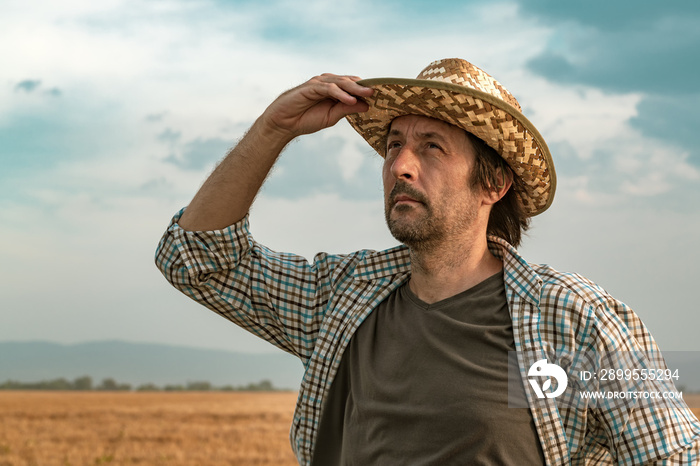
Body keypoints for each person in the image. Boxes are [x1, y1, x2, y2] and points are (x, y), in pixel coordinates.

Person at [155, 58, 700, 465]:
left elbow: (671, 455)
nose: (401, 166)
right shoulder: (341, 297)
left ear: (494, 182)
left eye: (432, 147)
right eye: (394, 145)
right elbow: (198, 259)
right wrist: (273, 128)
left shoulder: (572, 322)